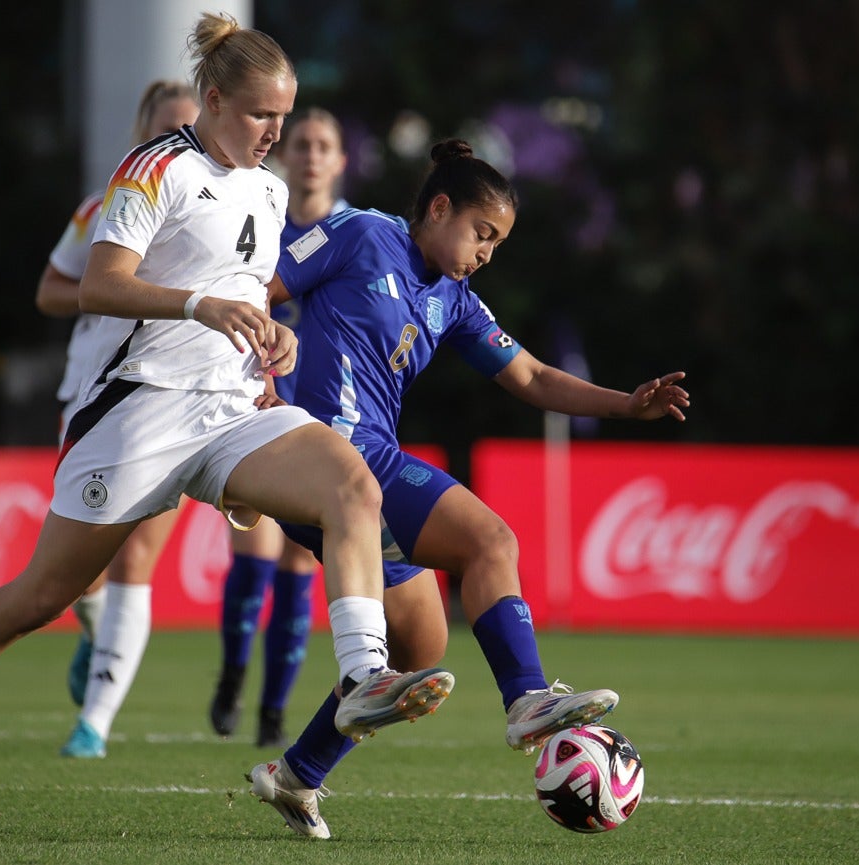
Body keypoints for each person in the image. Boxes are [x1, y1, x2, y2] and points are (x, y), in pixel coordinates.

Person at [0, 13, 454, 836]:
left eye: (284, 115)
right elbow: (99, 285)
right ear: (211, 99)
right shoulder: (152, 168)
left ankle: (367, 675)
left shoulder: (269, 189)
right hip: (136, 411)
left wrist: (273, 336)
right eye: (258, 114)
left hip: (231, 411)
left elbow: (250, 292)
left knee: (352, 480)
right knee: (42, 597)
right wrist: (198, 304)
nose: (275, 132)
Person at [246, 139, 690, 839]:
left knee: (417, 657)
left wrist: (625, 404)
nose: (486, 252)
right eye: (482, 233)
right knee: (492, 540)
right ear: (439, 207)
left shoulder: (453, 300)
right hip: (324, 452)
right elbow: (255, 288)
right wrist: (262, 384)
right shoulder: (361, 232)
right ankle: (525, 701)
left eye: (497, 243)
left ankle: (298, 773)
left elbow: (535, 378)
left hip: (363, 475)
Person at [209, 108, 443, 749]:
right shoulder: (266, 223)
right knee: (252, 560)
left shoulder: (360, 231)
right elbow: (252, 297)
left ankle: (274, 713)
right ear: (286, 157)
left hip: (334, 429)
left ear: (340, 161)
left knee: (299, 568)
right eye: (302, 144)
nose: (310, 155)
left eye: (324, 146)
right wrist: (264, 385)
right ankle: (232, 675)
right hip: (265, 409)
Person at [35, 79, 200, 759]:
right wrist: (115, 290)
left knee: (138, 556)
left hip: (174, 400)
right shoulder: (103, 208)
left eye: (189, 127)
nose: (178, 141)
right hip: (91, 397)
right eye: (165, 129)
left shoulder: (217, 211)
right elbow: (48, 291)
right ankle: (92, 622)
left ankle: (94, 722)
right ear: (142, 134)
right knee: (84, 569)